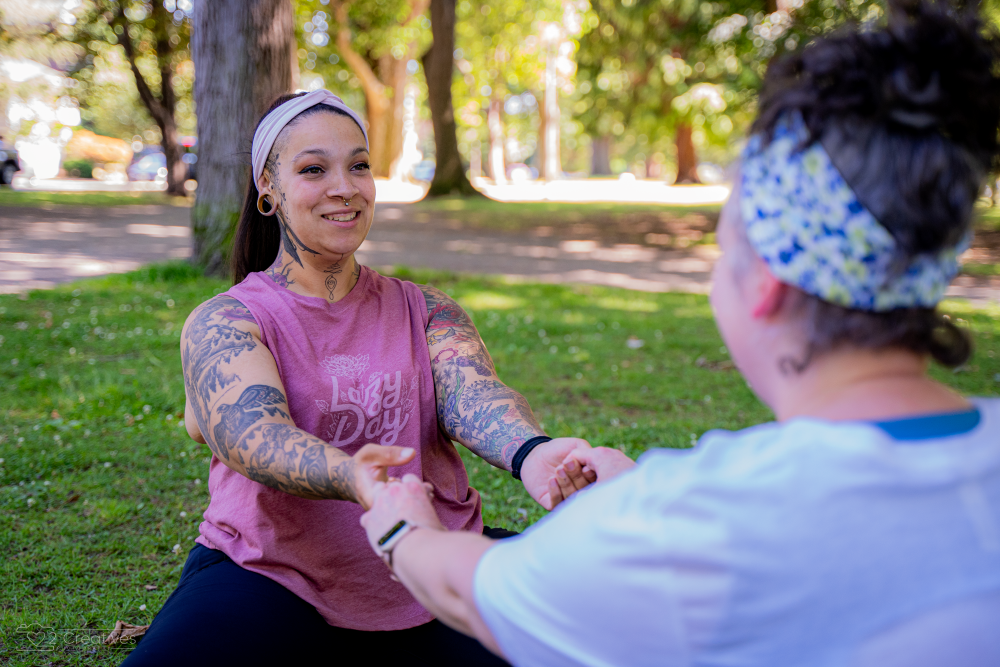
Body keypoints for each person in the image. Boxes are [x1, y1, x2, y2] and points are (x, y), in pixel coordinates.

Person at [357, 3, 1000, 665]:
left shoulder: (689, 524)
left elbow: (475, 594)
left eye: (726, 251)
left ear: (768, 282)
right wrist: (632, 496)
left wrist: (404, 525)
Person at [121, 90, 594, 666]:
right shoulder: (227, 320)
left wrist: (532, 453)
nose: (344, 186)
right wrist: (356, 478)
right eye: (314, 169)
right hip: (273, 572)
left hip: (431, 562)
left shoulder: (427, 309)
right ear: (268, 191)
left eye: (359, 165)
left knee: (600, 637)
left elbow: (472, 393)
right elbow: (254, 435)